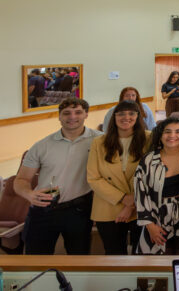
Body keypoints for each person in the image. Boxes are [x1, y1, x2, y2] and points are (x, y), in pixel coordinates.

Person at [15, 98, 101, 254]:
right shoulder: (42, 146)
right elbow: (21, 180)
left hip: (79, 210)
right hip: (43, 209)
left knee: (78, 260)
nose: (72, 117)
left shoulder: (100, 140)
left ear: (86, 115)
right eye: (66, 113)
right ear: (59, 117)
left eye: (78, 112)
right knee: (35, 260)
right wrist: (29, 194)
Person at [88, 100, 150, 255]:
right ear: (113, 117)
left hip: (141, 206)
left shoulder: (150, 139)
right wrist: (123, 198)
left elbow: (152, 176)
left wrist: (131, 204)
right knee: (114, 255)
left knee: (141, 254)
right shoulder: (99, 142)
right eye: (121, 114)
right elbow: (93, 178)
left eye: (131, 113)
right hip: (108, 206)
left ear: (138, 116)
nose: (126, 117)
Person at [134, 117, 179, 255]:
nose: (172, 136)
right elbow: (140, 193)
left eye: (178, 132)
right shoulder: (148, 160)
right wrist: (150, 225)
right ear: (160, 135)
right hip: (157, 217)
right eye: (167, 132)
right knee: (157, 264)